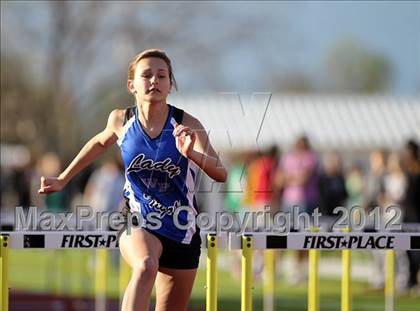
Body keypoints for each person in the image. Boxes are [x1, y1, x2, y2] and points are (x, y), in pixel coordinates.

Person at [38, 49, 227, 311]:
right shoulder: (121, 120)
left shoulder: (187, 124)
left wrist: (190, 153)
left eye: (162, 76)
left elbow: (221, 173)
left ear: (170, 84)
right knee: (145, 265)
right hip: (137, 218)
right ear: (132, 85)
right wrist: (63, 178)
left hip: (181, 227)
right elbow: (98, 143)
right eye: (146, 75)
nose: (154, 81)